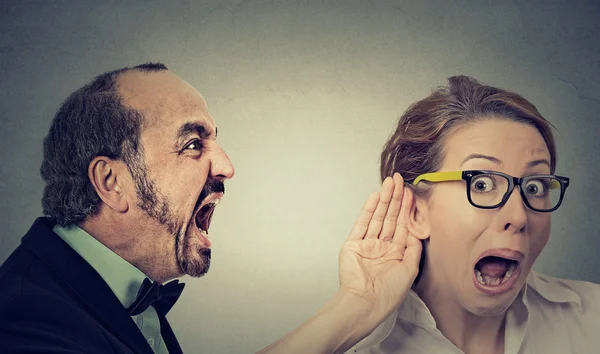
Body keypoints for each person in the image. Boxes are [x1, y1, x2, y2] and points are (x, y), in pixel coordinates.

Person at [0, 63, 420, 354]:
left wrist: (359, 300)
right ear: (112, 183)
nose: (227, 166)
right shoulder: (24, 318)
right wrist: (355, 306)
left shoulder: (121, 294)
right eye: (193, 144)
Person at [348, 76, 600, 353]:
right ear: (416, 212)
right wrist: (354, 304)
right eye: (482, 184)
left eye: (535, 186)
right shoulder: (359, 345)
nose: (518, 217)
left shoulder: (592, 317)